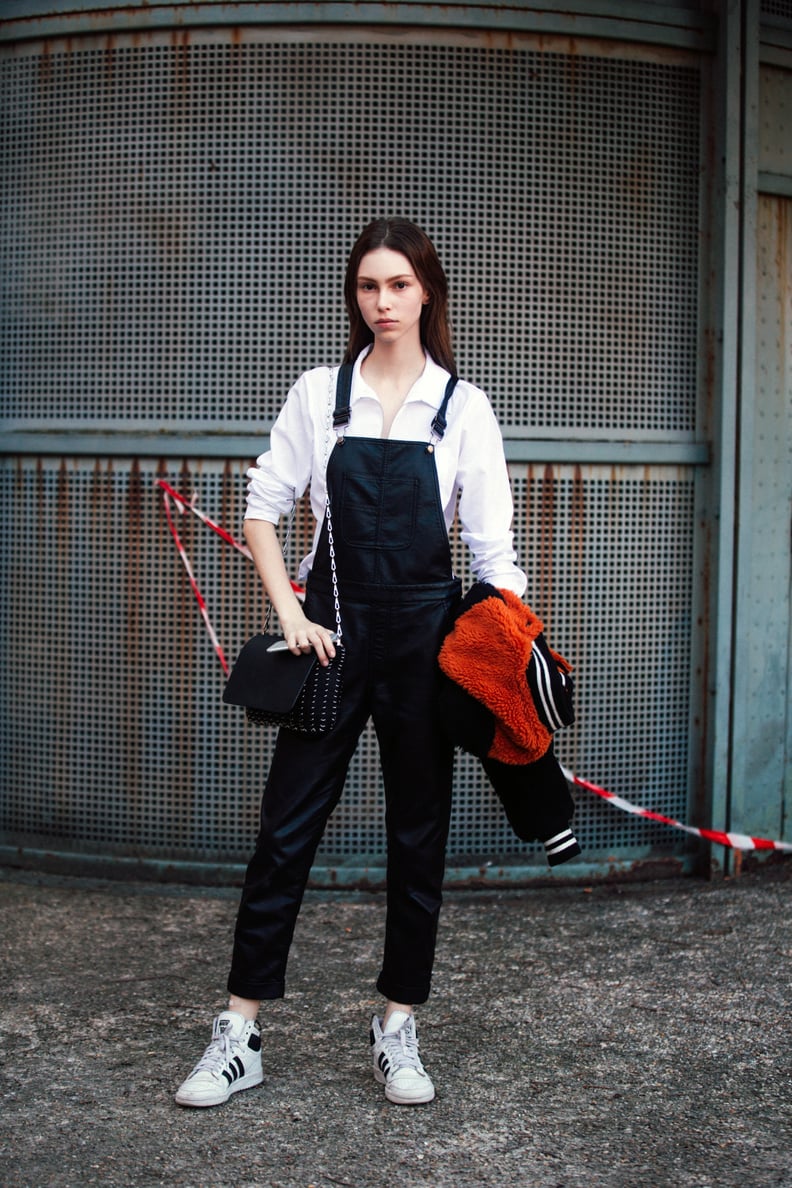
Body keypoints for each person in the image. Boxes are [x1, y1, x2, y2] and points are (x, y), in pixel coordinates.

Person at [175, 217, 527, 1110]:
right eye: (369, 287)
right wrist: (291, 615)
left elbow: (493, 558)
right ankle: (240, 1030)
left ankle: (397, 1024)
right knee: (284, 833)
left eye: (399, 286)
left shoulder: (464, 407)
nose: (383, 303)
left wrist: (516, 658)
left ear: (426, 293)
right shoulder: (317, 396)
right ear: (355, 297)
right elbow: (263, 512)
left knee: (418, 840)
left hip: (422, 652)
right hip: (329, 641)